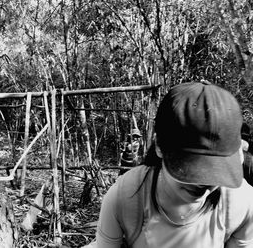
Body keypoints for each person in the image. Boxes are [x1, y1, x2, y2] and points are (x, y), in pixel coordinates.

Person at [95, 81, 253, 247]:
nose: (205, 183)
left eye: (217, 170)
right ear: (159, 147)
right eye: (192, 168)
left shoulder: (240, 204)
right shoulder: (126, 197)